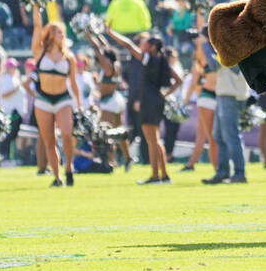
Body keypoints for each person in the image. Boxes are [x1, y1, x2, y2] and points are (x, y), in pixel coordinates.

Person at [105, 26, 179, 184]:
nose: (142, 46)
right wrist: (165, 94)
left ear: (152, 47)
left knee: (151, 140)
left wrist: (111, 32)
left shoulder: (148, 58)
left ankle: (155, 176)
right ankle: (164, 175)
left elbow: (128, 45)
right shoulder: (162, 60)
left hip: (148, 100)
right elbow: (178, 80)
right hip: (158, 100)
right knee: (157, 139)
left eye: (146, 43)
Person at [28, 4, 83, 187]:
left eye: (61, 32)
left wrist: (80, 104)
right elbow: (37, 27)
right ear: (50, 34)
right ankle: (57, 176)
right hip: (43, 99)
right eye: (57, 32)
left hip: (62, 98)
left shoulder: (69, 57)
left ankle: (69, 167)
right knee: (49, 140)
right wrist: (36, 7)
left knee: (67, 134)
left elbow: (73, 83)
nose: (61, 35)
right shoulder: (40, 52)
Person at [203, 30, 250, 185]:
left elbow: (232, 67)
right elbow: (212, 66)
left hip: (232, 95)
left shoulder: (236, 46)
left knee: (231, 135)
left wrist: (206, 46)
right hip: (224, 94)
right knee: (219, 136)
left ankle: (239, 172)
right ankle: (223, 172)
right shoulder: (226, 47)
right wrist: (206, 46)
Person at [87, 32, 130, 169]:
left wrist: (88, 35)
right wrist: (98, 34)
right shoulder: (115, 64)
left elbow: (100, 51)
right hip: (116, 99)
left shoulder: (108, 67)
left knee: (104, 132)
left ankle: (111, 161)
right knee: (118, 131)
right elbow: (106, 47)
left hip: (109, 102)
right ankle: (128, 158)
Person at [183, 28, 218, 173]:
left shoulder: (215, 54)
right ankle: (194, 164)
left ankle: (191, 164)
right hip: (206, 97)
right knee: (207, 136)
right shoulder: (201, 58)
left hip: (218, 96)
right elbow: (193, 84)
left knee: (207, 136)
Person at [0, 58, 27, 164]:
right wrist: (16, 89)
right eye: (12, 66)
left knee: (13, 134)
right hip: (9, 111)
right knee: (8, 134)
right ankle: (3, 155)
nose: (14, 69)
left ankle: (5, 156)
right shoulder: (4, 79)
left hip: (16, 111)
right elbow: (3, 94)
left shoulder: (15, 78)